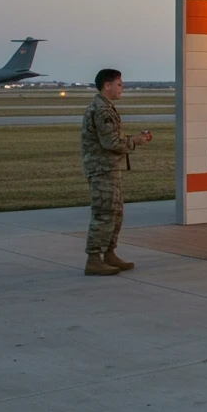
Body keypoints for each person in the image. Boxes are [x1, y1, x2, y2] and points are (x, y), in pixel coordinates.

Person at [79, 68, 152, 276]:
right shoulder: (102, 110)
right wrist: (135, 141)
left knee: (115, 213)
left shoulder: (105, 108)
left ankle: (109, 253)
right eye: (119, 84)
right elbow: (111, 141)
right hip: (102, 169)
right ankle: (94, 258)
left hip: (109, 168)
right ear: (107, 85)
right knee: (104, 214)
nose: (122, 88)